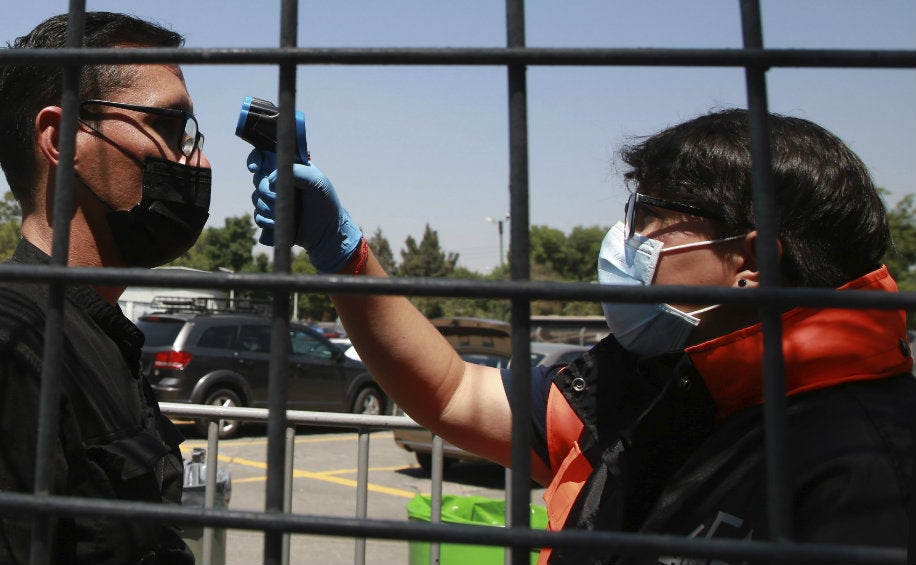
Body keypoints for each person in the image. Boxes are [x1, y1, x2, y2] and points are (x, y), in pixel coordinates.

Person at [248, 109, 914, 563]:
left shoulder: (872, 467)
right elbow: (452, 391)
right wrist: (344, 255)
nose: (624, 236)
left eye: (650, 215)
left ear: (751, 261)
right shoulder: (643, 382)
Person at [0, 12, 210, 564]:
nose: (196, 159)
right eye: (170, 128)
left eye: (190, 135)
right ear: (64, 137)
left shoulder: (96, 335)